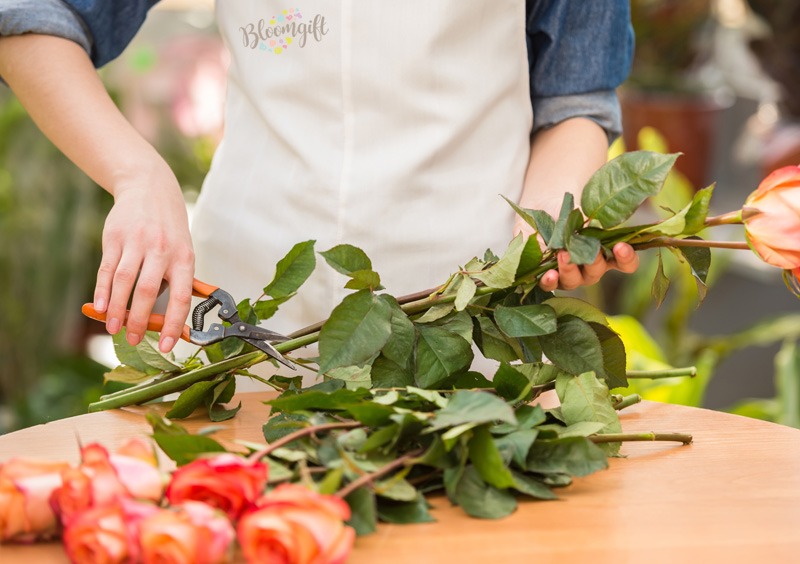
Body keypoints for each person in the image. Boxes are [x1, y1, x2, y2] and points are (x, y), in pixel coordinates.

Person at [0, 0, 639, 356]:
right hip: (244, 310)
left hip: (462, 314)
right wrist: (137, 175)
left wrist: (545, 234)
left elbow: (574, 97)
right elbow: (33, 17)